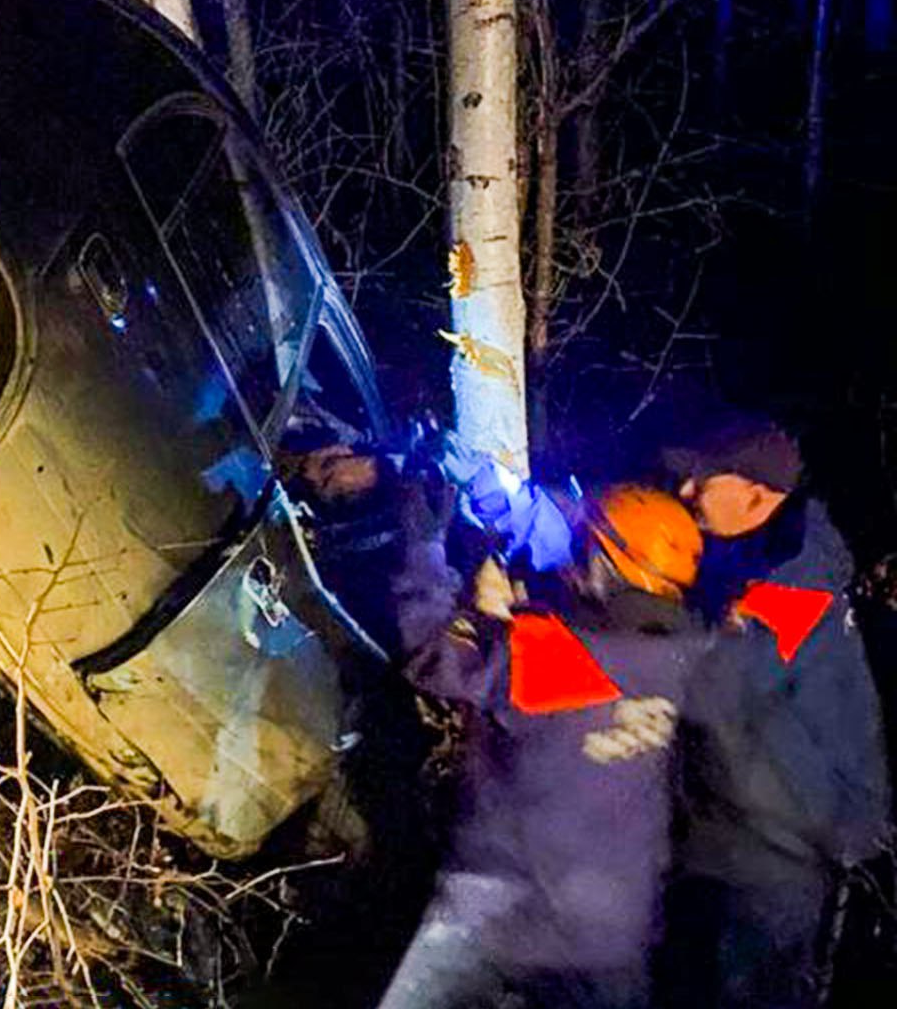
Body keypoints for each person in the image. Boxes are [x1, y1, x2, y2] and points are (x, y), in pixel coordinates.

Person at [376, 483, 713, 1009]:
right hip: (617, 914)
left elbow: (432, 651)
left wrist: (425, 549)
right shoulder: (692, 656)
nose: (574, 563)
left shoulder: (552, 657)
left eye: (584, 548)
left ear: (608, 559)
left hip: (502, 896)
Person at [657, 414, 890, 1008]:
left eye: (706, 480)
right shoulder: (753, 558)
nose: (686, 491)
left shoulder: (789, 588)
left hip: (781, 845)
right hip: (749, 824)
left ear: (757, 494)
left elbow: (711, 690)